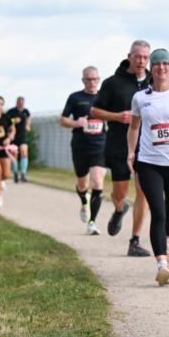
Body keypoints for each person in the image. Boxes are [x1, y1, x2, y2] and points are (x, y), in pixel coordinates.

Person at [127, 48, 169, 285]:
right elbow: (134, 127)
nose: (161, 67)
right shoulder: (140, 98)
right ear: (151, 68)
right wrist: (130, 152)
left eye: (165, 63)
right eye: (156, 64)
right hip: (149, 163)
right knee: (158, 210)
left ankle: (166, 238)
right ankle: (162, 264)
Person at [91, 41, 152, 257]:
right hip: (118, 145)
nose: (141, 61)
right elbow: (95, 110)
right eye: (138, 57)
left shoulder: (155, 82)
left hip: (147, 146)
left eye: (145, 57)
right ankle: (119, 208)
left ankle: (134, 241)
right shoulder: (112, 83)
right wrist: (118, 117)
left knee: (143, 192)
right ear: (129, 57)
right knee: (120, 193)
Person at [61, 66, 107, 235]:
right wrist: (76, 123)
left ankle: (92, 222)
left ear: (99, 80)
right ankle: (84, 200)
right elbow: (63, 120)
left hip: (100, 146)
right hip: (80, 146)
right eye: (88, 79)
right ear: (83, 81)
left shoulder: (104, 97)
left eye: (95, 79)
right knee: (83, 184)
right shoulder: (75, 98)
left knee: (97, 182)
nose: (92, 82)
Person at [7, 96, 31, 183]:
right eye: (19, 102)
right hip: (13, 136)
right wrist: (13, 120)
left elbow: (29, 119)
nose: (21, 103)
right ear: (16, 102)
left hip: (22, 136)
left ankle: (23, 174)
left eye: (22, 102)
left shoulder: (26, 112)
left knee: (24, 151)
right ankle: (15, 173)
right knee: (14, 154)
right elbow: (5, 122)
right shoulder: (11, 112)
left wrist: (28, 125)